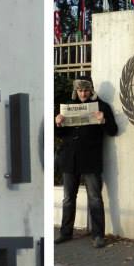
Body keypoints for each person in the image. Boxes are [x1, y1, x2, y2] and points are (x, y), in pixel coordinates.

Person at [54, 76, 117, 248]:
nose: (83, 94)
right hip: (70, 159)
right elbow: (61, 134)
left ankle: (98, 236)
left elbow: (113, 130)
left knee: (95, 198)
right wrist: (57, 123)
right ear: (76, 90)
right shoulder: (68, 106)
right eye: (80, 90)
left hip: (91, 159)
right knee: (68, 198)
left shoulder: (102, 106)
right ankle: (65, 233)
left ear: (91, 90)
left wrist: (103, 120)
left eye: (86, 90)